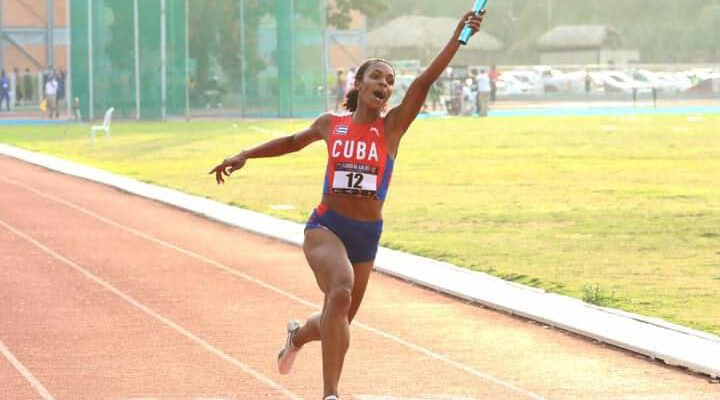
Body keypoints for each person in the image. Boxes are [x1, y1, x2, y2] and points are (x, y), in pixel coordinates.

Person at [209, 9, 486, 400]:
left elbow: (426, 81)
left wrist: (459, 35)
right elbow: (291, 142)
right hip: (327, 227)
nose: (385, 85)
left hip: (366, 235)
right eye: (377, 77)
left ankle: (297, 335)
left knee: (336, 320)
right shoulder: (331, 124)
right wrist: (245, 154)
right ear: (358, 83)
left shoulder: (392, 128)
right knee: (339, 291)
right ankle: (331, 395)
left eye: (390, 81)